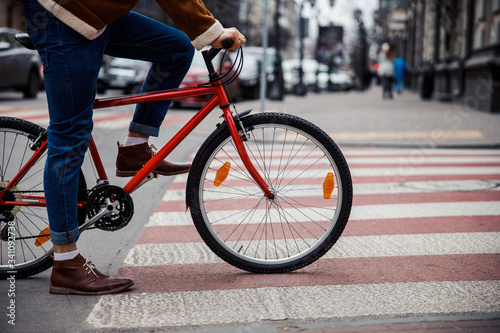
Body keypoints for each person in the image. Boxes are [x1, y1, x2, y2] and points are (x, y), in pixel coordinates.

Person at [24, 0, 246, 295]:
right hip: (64, 16)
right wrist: (210, 30)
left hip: (98, 14)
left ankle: (135, 148)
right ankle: (66, 264)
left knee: (176, 49)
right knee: (70, 133)